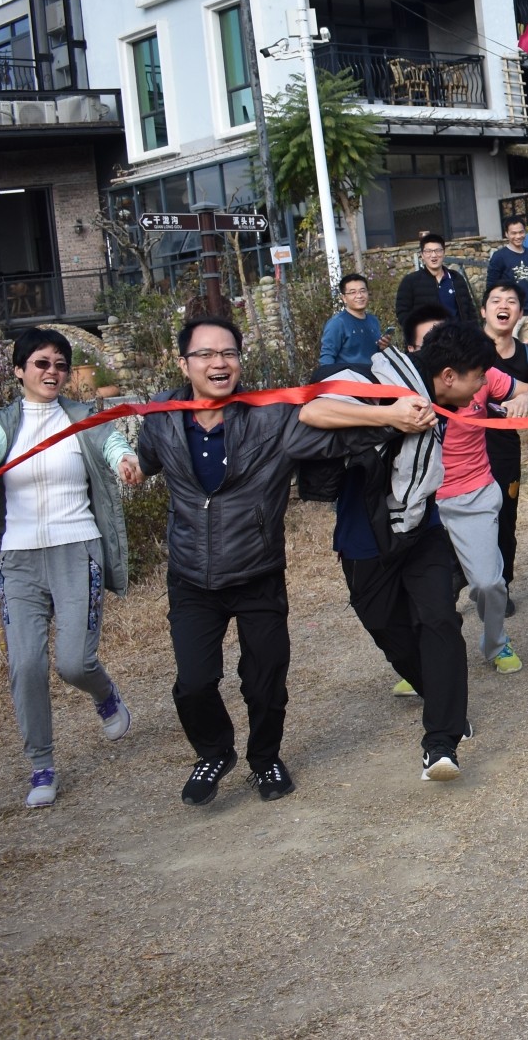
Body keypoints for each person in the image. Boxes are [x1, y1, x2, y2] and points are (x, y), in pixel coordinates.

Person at [134, 316, 391, 807]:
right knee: (193, 683)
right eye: (206, 355)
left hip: (257, 570)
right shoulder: (161, 416)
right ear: (183, 362)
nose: (219, 363)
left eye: (228, 353)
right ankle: (214, 751)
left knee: (266, 678)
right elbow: (150, 457)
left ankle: (264, 757)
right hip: (191, 576)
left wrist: (391, 419)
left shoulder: (271, 418)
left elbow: (338, 438)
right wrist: (134, 467)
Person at [0, 328, 145, 808]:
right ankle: (41, 765)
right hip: (20, 559)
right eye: (41, 363)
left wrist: (126, 461)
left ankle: (105, 693)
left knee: (74, 662)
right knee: (26, 664)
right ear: (19, 370)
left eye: (59, 364)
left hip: (78, 549)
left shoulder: (82, 419)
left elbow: (112, 445)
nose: (52, 372)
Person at [301, 319, 510, 780]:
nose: (479, 391)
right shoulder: (380, 382)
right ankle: (441, 697)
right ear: (450, 376)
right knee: (387, 628)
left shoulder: (439, 400)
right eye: (477, 379)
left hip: (424, 525)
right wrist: (388, 415)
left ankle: (441, 743)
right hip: (365, 528)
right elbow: (312, 410)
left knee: (438, 618)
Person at [478, 281, 528, 595]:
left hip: (504, 448)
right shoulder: (465, 348)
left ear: (519, 314)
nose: (503, 306)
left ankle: (502, 584)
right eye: (496, 300)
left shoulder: (525, 355)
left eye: (511, 301)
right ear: (483, 311)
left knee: (504, 518)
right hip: (461, 447)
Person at [394, 233, 474, 333]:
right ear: (422, 255)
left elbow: (469, 311)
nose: (433, 255)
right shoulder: (410, 281)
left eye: (438, 250)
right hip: (426, 342)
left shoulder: (456, 279)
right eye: (428, 251)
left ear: (444, 253)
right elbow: (402, 312)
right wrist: (417, 334)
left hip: (457, 340)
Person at [319, 273, 384, 367]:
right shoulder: (337, 323)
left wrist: (383, 348)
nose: (359, 296)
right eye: (353, 292)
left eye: (363, 291)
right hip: (350, 378)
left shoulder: (373, 321)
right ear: (344, 298)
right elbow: (327, 358)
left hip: (374, 377)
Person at [486, 215, 528, 311]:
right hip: (509, 311)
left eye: (521, 232)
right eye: (513, 233)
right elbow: (491, 286)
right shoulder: (499, 256)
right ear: (506, 234)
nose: (518, 236)